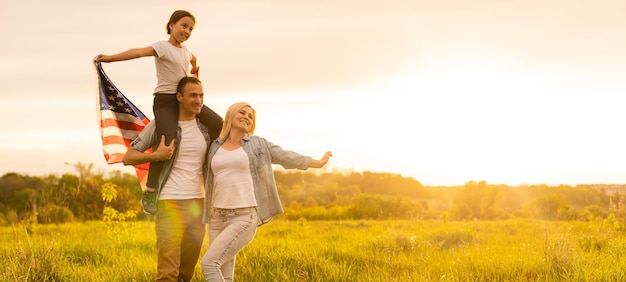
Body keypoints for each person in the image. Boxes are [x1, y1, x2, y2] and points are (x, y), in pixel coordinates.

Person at [95, 10, 222, 215]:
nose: (187, 31)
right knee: (166, 142)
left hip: (186, 100)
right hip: (165, 101)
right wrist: (110, 58)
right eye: (183, 25)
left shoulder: (186, 50)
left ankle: (210, 159)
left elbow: (193, 59)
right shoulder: (161, 47)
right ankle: (151, 190)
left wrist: (195, 69)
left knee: (217, 122)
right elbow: (137, 52)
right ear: (171, 25)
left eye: (190, 28)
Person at [200, 101, 332, 281]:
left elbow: (285, 156)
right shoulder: (215, 146)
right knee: (224, 274)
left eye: (250, 116)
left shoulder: (258, 144)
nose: (247, 117)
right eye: (243, 112)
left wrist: (316, 163)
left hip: (243, 216)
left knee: (209, 263)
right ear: (231, 115)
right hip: (217, 217)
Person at [123, 76, 219, 282]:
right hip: (170, 203)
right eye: (192, 95)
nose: (198, 100)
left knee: (186, 272)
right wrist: (155, 156)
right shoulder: (161, 125)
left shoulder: (206, 128)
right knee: (168, 273)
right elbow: (127, 157)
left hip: (198, 205)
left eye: (201, 96)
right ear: (179, 97)